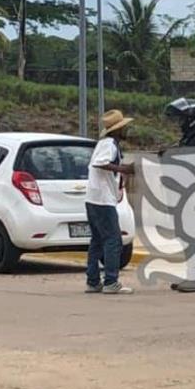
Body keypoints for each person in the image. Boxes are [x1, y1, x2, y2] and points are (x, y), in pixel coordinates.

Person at [163, 97, 195, 293]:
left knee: (191, 234)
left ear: (192, 119)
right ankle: (191, 275)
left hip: (194, 195)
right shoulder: (190, 138)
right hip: (185, 194)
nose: (179, 123)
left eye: (182, 119)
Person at [85, 109, 135, 295]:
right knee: (113, 240)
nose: (126, 130)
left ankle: (93, 281)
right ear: (116, 130)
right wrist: (124, 169)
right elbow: (100, 163)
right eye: (123, 127)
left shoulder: (104, 143)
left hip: (94, 199)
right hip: (103, 200)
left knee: (97, 240)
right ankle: (111, 281)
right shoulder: (109, 144)